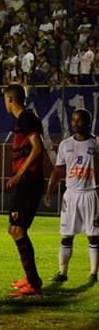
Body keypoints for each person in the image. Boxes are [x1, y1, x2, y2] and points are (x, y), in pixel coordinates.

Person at [46, 109, 99, 283]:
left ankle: (93, 274)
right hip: (71, 195)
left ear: (88, 122)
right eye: (73, 119)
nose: (75, 123)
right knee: (66, 235)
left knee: (93, 235)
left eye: (79, 120)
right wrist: (49, 191)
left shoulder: (96, 143)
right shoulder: (65, 144)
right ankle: (62, 273)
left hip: (91, 194)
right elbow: (58, 170)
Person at [3, 84, 45, 296]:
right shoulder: (24, 120)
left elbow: (38, 147)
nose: (5, 103)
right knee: (14, 229)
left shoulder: (26, 119)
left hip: (28, 181)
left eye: (5, 99)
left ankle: (33, 284)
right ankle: (31, 279)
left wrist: (19, 175)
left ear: (11, 99)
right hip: (25, 181)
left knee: (17, 230)